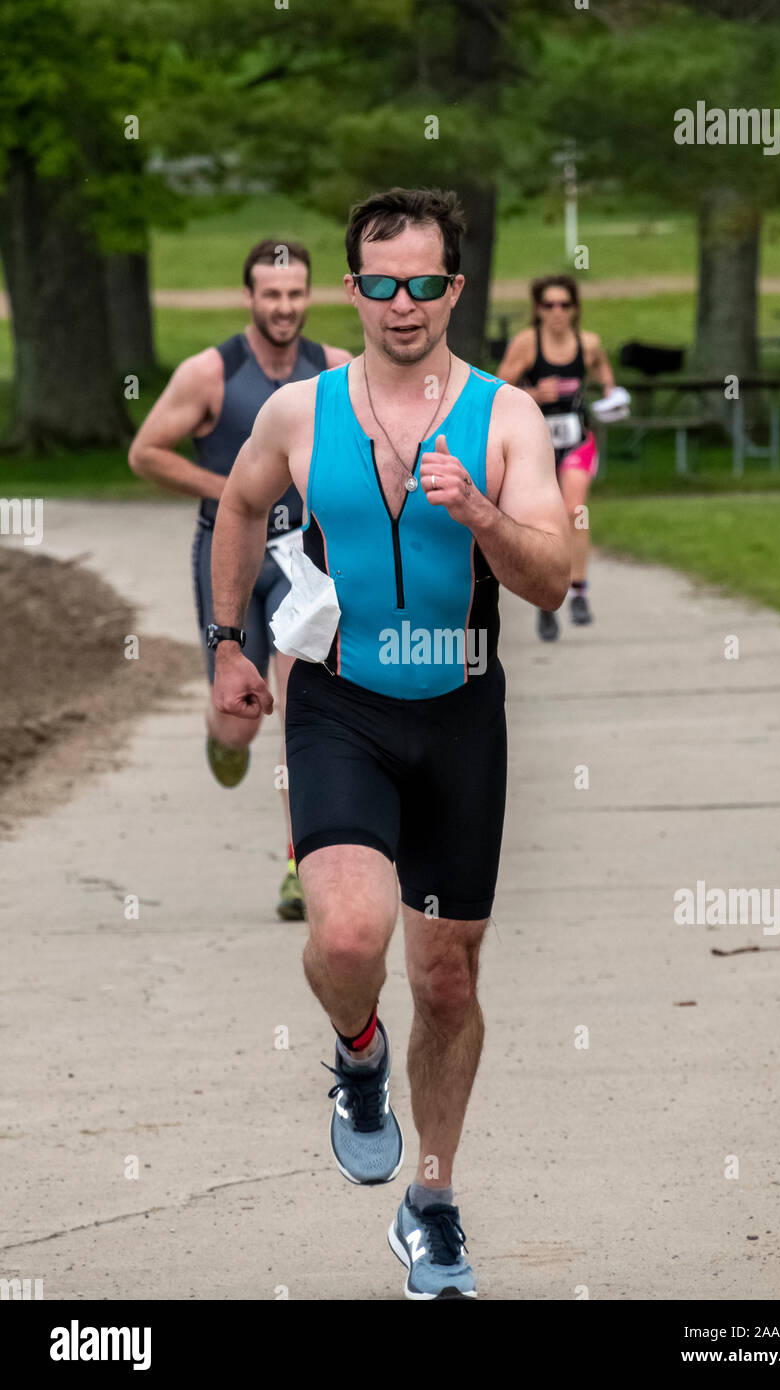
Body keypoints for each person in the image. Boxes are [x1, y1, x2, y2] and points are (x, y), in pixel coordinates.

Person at [209, 187, 569, 1299]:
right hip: (340, 702)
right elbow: (235, 510)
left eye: (422, 283)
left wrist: (482, 517)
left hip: (460, 711)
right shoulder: (299, 412)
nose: (400, 304)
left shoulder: (503, 418)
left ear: (453, 289)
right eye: (378, 283)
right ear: (350, 290)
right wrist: (227, 641)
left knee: (449, 978)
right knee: (353, 935)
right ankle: (358, 1051)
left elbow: (551, 578)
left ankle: (434, 1204)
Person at [128, 239, 351, 920]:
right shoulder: (210, 374)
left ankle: (298, 863)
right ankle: (219, 730)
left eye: (295, 294)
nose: (284, 307)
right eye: (271, 295)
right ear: (249, 298)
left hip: (302, 561)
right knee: (239, 725)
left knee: (296, 698)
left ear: (310, 296)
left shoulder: (333, 370)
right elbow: (146, 453)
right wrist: (233, 491)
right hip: (228, 556)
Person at [498, 273, 617, 640]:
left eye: (564, 305)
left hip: (577, 440)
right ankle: (545, 602)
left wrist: (614, 396)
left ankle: (579, 592)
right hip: (539, 445)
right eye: (549, 305)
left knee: (574, 511)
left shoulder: (589, 343)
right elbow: (500, 388)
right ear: (538, 309)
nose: (557, 312)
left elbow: (604, 372)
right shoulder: (527, 344)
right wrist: (535, 392)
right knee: (542, 522)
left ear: (575, 308)